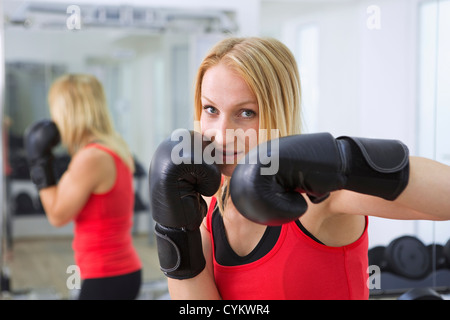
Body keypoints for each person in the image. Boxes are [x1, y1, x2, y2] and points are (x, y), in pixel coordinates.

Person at [149, 37, 450, 300]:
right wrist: (175, 236)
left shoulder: (320, 194)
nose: (222, 132)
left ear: (277, 111)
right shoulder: (209, 207)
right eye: (211, 109)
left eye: (246, 112)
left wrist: (343, 160)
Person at [24, 74, 142, 300]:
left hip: (107, 276)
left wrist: (38, 162)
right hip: (117, 272)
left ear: (69, 112)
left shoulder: (91, 158)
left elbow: (57, 215)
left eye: (56, 110)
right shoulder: (111, 148)